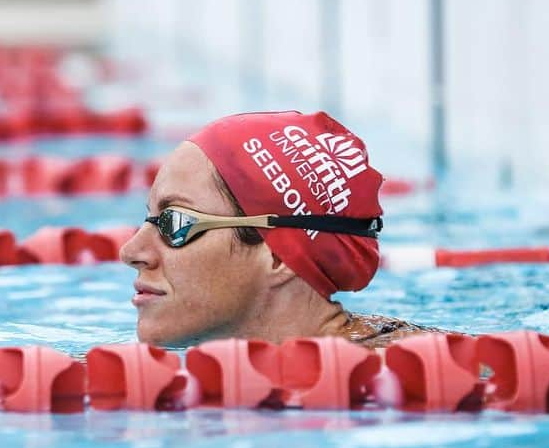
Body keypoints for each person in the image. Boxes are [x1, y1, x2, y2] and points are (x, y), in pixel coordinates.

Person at [120, 110, 427, 348]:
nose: (130, 251)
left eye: (175, 222)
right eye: (150, 217)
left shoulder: (409, 376)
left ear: (279, 256)